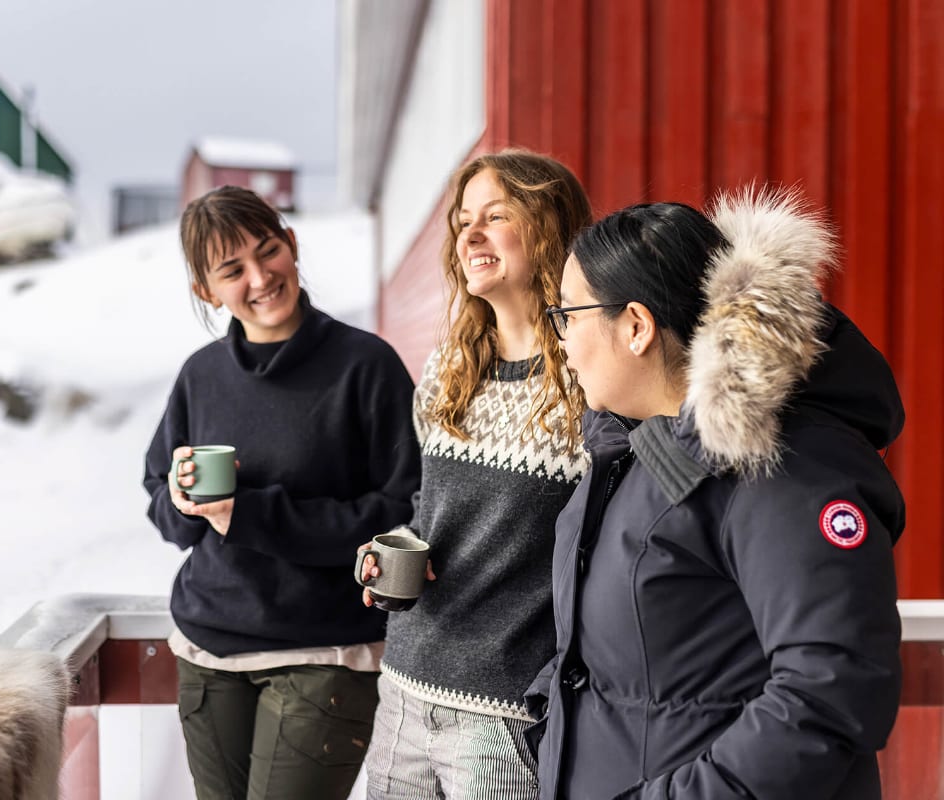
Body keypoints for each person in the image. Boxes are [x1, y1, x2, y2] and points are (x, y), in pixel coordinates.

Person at [528, 189, 904, 799]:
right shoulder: (636, 455)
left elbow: (830, 688)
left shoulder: (783, 466)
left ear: (636, 327)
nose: (562, 341)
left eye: (567, 314)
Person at [142, 185, 421, 800]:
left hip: (326, 652)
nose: (260, 277)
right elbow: (164, 506)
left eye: (269, 251)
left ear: (291, 245)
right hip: (209, 649)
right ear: (205, 291)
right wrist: (184, 502)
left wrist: (252, 515)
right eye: (232, 270)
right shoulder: (201, 375)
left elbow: (404, 511)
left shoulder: (364, 366)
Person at [358, 149, 592, 799]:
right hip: (403, 688)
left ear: (546, 227)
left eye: (496, 216)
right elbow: (431, 519)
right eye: (463, 220)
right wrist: (389, 558)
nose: (470, 234)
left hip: (504, 716)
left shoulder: (589, 387)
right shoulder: (448, 372)